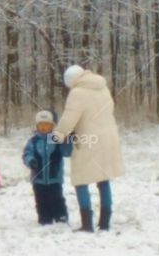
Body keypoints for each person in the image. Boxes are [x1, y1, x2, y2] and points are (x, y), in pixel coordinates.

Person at [53, 64, 124, 232]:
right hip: (109, 138)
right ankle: (105, 222)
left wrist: (58, 136)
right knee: (103, 178)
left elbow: (69, 119)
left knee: (81, 180)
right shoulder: (102, 87)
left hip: (88, 140)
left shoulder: (77, 93)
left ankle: (87, 224)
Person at [22, 109, 71, 225]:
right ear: (37, 126)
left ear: (52, 126)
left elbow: (67, 152)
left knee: (57, 198)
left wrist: (67, 141)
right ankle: (44, 217)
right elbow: (26, 154)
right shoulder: (33, 141)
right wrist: (31, 161)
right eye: (41, 125)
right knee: (41, 200)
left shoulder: (56, 140)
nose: (44, 128)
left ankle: (60, 215)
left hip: (54, 178)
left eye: (47, 125)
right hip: (38, 179)